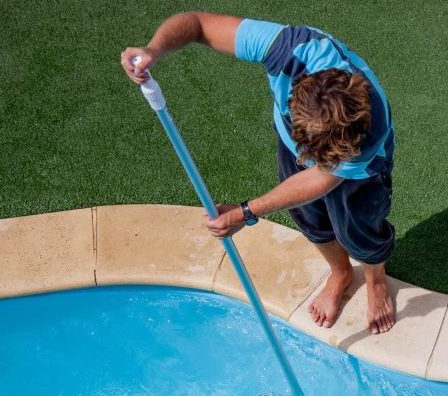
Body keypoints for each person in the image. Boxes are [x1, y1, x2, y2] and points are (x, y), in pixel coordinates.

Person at [121, 12, 396, 334]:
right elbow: (197, 24)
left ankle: (376, 280)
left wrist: (245, 212)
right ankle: (340, 273)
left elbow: (321, 178)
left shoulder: (369, 131)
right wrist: (154, 49)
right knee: (310, 219)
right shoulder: (287, 49)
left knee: (360, 231)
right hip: (296, 141)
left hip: (359, 173)